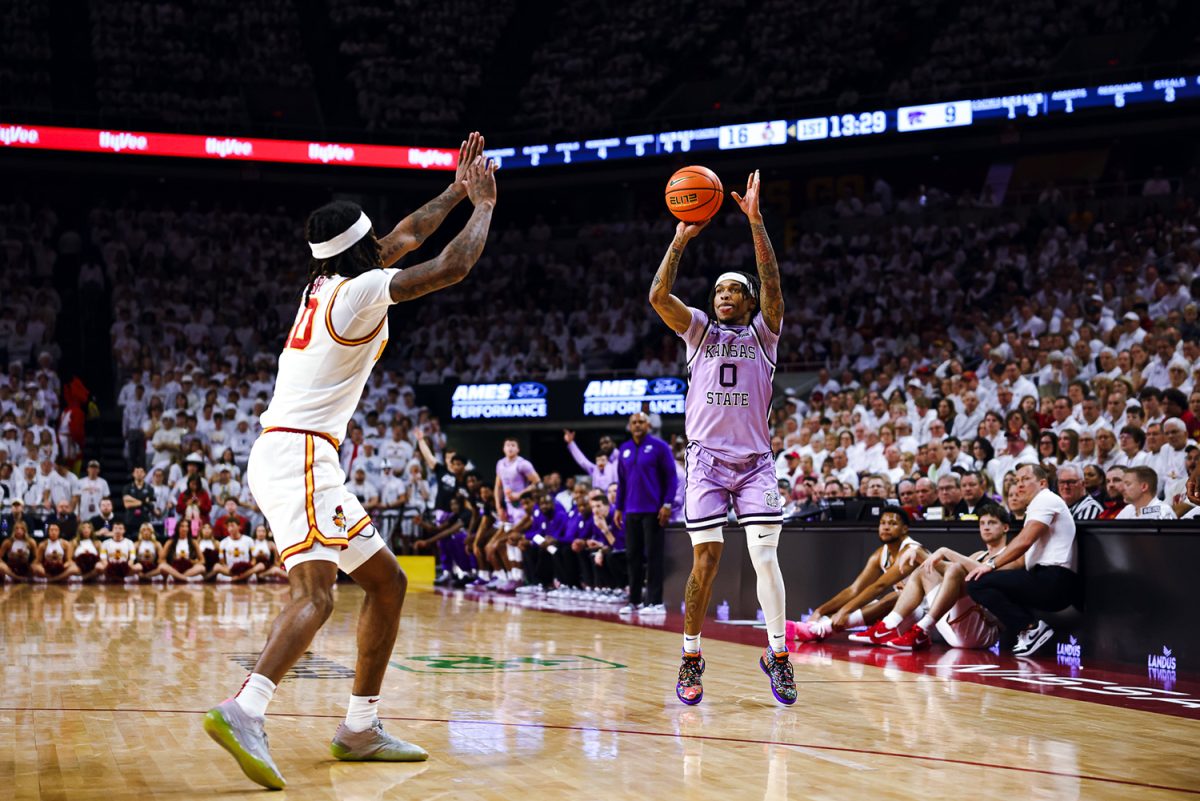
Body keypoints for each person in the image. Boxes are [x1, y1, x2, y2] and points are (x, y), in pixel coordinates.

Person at [204, 133, 497, 789]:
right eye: (376, 240)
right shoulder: (360, 290)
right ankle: (244, 709)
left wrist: (451, 189)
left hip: (291, 450)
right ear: (362, 249)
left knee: (388, 583)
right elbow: (449, 265)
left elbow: (407, 234)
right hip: (303, 454)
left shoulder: (326, 278)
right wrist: (482, 204)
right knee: (317, 595)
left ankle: (359, 727)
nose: (387, 242)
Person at [649, 169, 796, 706]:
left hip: (756, 462)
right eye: (718, 290)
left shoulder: (765, 334)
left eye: (735, 289)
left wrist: (755, 222)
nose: (724, 295)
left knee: (764, 557)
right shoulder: (698, 331)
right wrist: (681, 237)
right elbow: (657, 294)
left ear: (751, 301)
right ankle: (691, 656)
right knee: (705, 560)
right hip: (708, 462)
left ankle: (779, 655)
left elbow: (775, 286)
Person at [855, 505, 1015, 650]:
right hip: (953, 625)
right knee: (924, 570)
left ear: (1005, 527)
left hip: (984, 630)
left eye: (992, 523)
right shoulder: (978, 555)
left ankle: (921, 629)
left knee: (954, 569)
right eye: (982, 523)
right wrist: (924, 557)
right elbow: (954, 572)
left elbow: (985, 576)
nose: (986, 527)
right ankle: (889, 625)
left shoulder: (1011, 555)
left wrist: (938, 552)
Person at [966, 464, 1080, 656]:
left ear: (1042, 483)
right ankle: (1028, 628)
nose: (1019, 485)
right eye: (1017, 480)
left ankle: (1030, 627)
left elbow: (1024, 541)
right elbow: (1020, 562)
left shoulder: (1045, 499)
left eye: (1025, 479)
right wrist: (986, 569)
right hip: (1044, 578)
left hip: (1055, 580)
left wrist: (990, 564)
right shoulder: (1037, 506)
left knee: (978, 585)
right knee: (980, 582)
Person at [789, 508, 929, 642]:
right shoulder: (881, 553)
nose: (886, 527)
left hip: (925, 612)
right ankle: (818, 626)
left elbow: (880, 586)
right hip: (903, 613)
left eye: (892, 523)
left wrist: (844, 610)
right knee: (867, 604)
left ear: (904, 529)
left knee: (896, 596)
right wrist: (820, 611)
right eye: (882, 523)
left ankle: (821, 629)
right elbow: (855, 589)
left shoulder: (912, 550)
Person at [612, 411, 677, 616]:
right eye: (634, 423)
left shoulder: (660, 447)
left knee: (654, 557)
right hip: (631, 511)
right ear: (629, 426)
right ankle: (634, 601)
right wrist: (619, 508)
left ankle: (655, 601)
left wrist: (667, 504)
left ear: (648, 425)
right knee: (633, 556)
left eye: (641, 422)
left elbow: (671, 477)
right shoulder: (624, 449)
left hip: (653, 510)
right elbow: (622, 482)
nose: (637, 425)